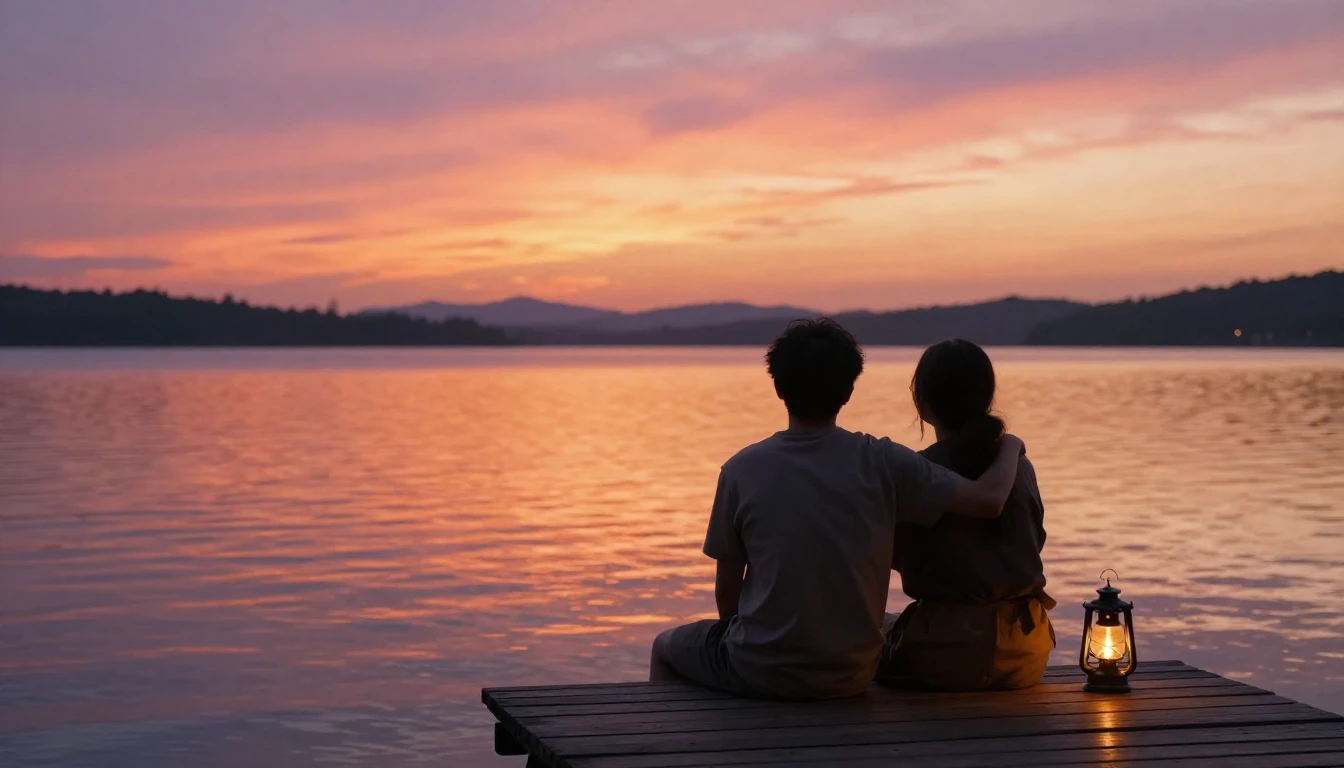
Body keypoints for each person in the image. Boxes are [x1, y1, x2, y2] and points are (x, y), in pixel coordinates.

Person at [649, 319, 1027, 699]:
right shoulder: (884, 461)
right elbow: (986, 500)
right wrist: (1010, 445)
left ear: (778, 387)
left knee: (665, 646)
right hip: (852, 673)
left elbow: (727, 592)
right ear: (848, 390)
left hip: (760, 669)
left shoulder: (740, 470)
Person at [878, 339, 1054, 691]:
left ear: (922, 403)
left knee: (875, 627)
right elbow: (1035, 540)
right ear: (986, 400)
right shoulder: (1020, 467)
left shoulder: (921, 473)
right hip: (1024, 652)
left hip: (944, 653)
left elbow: (890, 556)